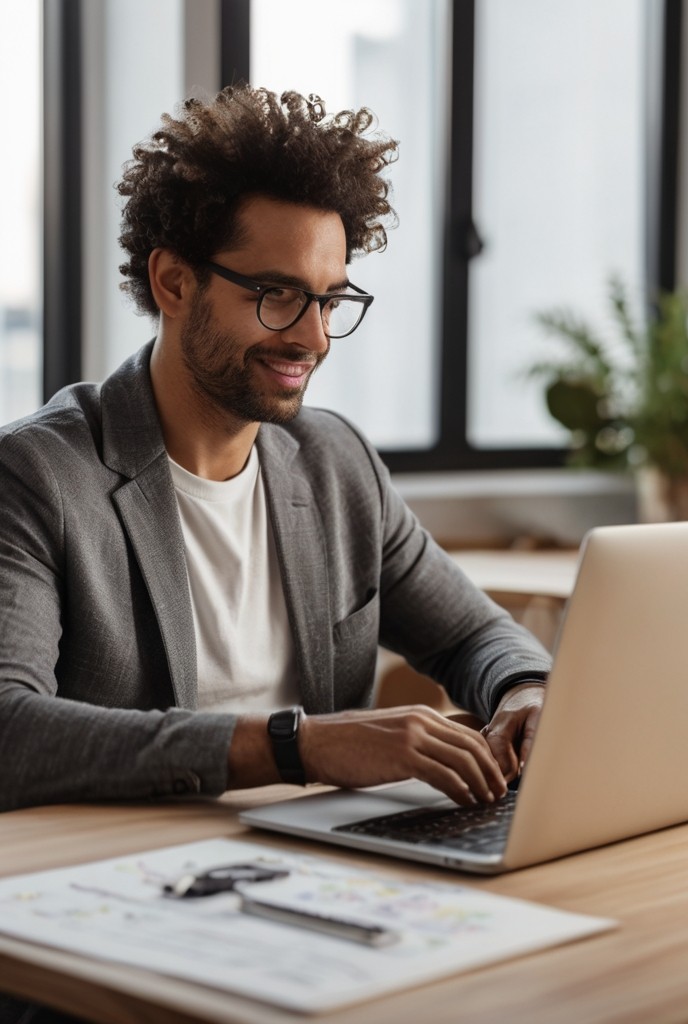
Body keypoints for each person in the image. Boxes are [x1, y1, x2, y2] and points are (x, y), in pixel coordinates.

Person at [0, 84, 552, 815]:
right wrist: (299, 745)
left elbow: (472, 633)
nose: (314, 337)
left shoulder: (336, 463)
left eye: (329, 300)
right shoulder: (38, 477)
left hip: (328, 860)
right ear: (173, 282)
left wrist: (525, 692)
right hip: (132, 876)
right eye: (276, 294)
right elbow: (10, 732)